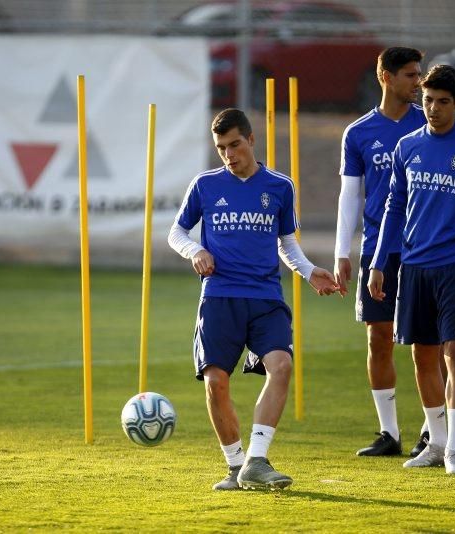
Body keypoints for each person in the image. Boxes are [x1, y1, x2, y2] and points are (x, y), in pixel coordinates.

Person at [168, 108, 339, 490]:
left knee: (281, 366)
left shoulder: (280, 186)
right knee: (215, 382)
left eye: (234, 145)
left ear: (251, 140)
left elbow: (287, 245)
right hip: (219, 297)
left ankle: (257, 462)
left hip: (265, 297)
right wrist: (194, 251)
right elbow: (176, 232)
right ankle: (235, 466)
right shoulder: (205, 185)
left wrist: (310, 272)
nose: (228, 155)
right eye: (220, 148)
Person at [368, 64, 455, 474]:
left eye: (443, 102)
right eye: (427, 100)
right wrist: (378, 262)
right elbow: (393, 207)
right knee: (422, 357)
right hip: (413, 266)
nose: (433, 108)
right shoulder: (407, 146)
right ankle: (436, 442)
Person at [335, 46, 442, 458]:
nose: (419, 83)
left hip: (422, 251)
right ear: (386, 77)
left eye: (420, 75)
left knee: (427, 345)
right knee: (378, 339)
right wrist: (342, 252)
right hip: (377, 252)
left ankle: (433, 432)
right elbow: (350, 195)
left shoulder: (430, 126)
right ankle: (389, 433)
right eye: (411, 75)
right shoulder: (358, 132)